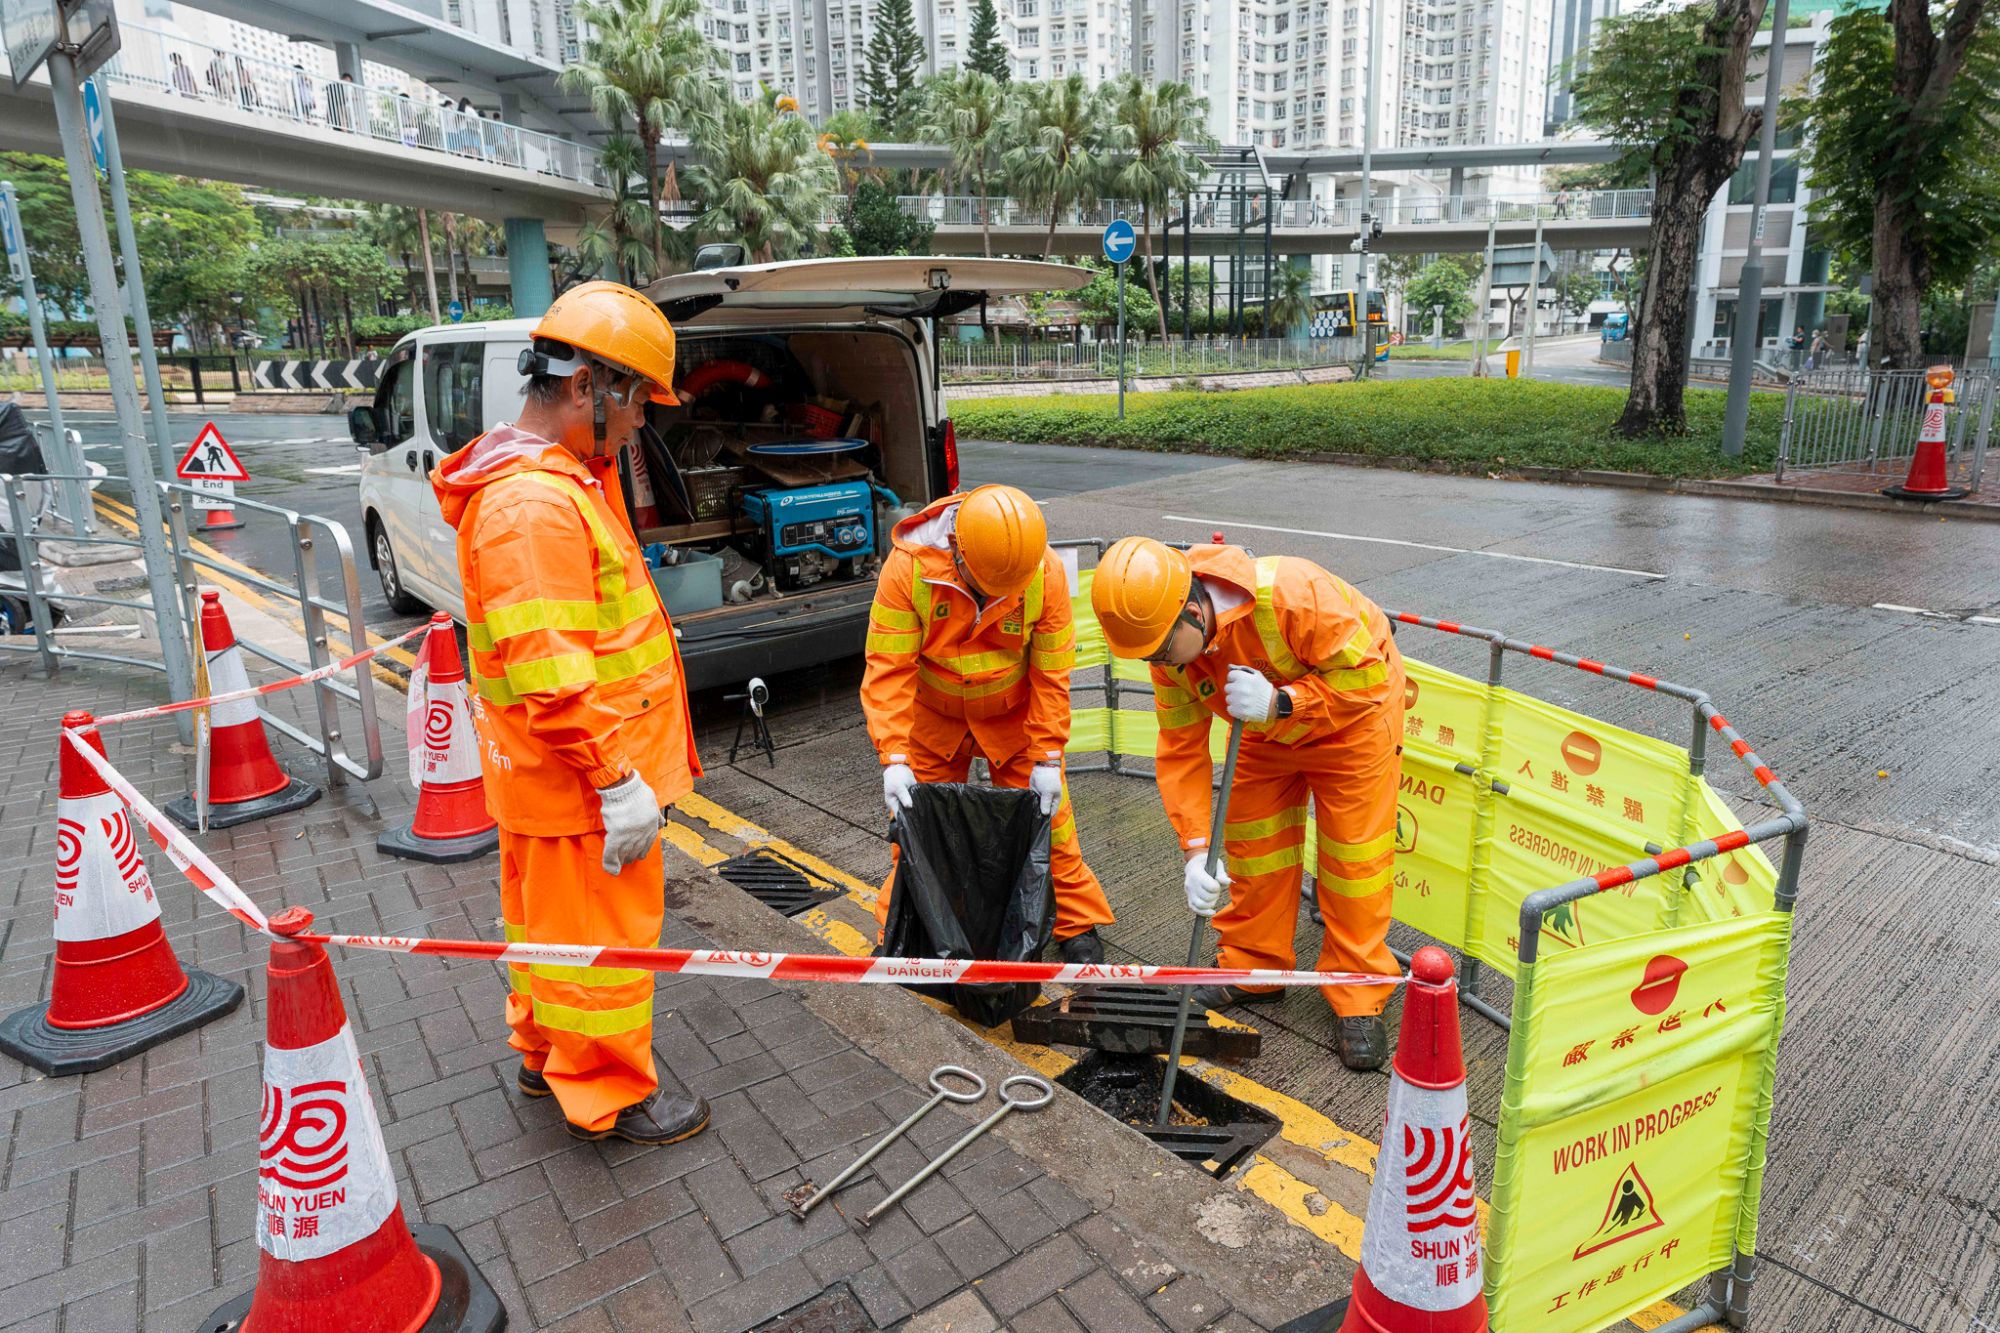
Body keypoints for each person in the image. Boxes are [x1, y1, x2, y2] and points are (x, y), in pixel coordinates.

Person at [431, 281, 706, 1146]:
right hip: (581, 784)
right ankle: (605, 1089)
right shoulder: (534, 505)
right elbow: (553, 676)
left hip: (550, 780)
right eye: (637, 402)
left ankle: (546, 1051)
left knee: (546, 931)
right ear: (587, 386)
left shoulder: (554, 483)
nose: (640, 424)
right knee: (601, 947)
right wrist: (618, 780)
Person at [1089, 537, 1404, 1070]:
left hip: (1353, 727)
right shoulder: (1168, 645)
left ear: (1193, 613)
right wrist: (1195, 851)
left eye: (1161, 653)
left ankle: (1357, 992)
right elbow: (1181, 750)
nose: (1158, 665)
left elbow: (1369, 679)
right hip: (1261, 730)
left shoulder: (1295, 595)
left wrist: (1284, 701)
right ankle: (1255, 966)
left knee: (1354, 863)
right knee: (1256, 845)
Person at [861, 485, 1116, 963]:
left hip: (1013, 720)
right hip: (935, 721)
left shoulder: (1042, 572)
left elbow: (1051, 674)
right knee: (919, 830)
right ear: (955, 548)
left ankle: (1076, 924)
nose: (996, 599)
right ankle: (902, 927)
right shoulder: (909, 568)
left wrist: (1047, 757)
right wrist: (893, 757)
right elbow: (888, 669)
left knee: (1052, 824)